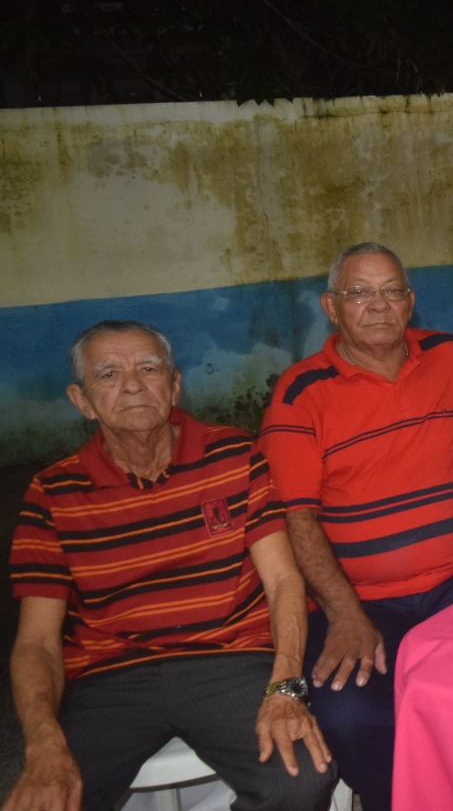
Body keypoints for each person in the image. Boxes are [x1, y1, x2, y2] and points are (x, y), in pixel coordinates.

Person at [6, 321, 333, 811]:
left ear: (175, 385)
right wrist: (42, 742)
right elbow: (36, 643)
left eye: (148, 369)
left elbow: (284, 580)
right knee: (49, 799)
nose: (132, 386)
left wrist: (286, 687)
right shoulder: (52, 493)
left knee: (301, 780)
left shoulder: (233, 454)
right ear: (82, 400)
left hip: (230, 662)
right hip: (111, 678)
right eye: (109, 374)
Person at [258, 243, 453, 811]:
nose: (379, 305)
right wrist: (344, 612)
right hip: (360, 600)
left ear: (410, 301)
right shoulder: (300, 395)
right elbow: (296, 518)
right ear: (331, 307)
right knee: (349, 711)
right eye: (360, 293)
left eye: (391, 291)